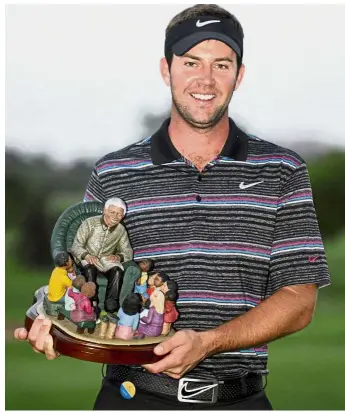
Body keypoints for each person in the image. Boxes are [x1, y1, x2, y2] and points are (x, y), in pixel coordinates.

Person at [14, 4, 331, 410]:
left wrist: (209, 343)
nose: (206, 79)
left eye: (221, 64)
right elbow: (83, 279)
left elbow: (299, 299)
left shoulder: (282, 171)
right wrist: (53, 325)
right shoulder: (114, 172)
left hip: (240, 401)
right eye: (191, 62)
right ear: (166, 69)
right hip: (130, 399)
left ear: (240, 74)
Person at [70, 197, 133, 313]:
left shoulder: (121, 230)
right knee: (90, 269)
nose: (115, 216)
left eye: (119, 214)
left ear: (123, 216)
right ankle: (91, 301)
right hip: (87, 258)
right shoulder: (90, 223)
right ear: (105, 211)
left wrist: (119, 257)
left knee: (117, 271)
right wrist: (86, 255)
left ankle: (111, 303)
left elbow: (128, 251)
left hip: (106, 260)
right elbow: (76, 245)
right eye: (112, 212)